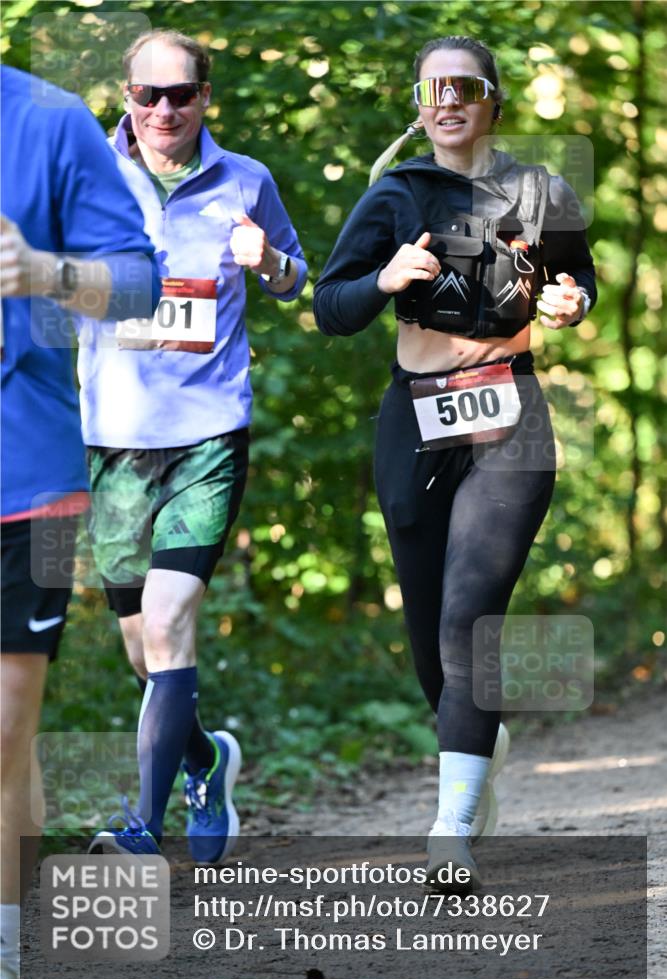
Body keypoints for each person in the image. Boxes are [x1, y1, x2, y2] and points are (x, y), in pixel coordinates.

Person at [313, 36, 596, 890]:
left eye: (463, 86)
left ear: (491, 99)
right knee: (431, 644)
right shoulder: (394, 194)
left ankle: (447, 829)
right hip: (415, 417)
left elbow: (577, 280)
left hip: (509, 411)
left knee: (471, 616)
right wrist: (385, 279)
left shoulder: (541, 189)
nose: (446, 100)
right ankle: (479, 742)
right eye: (432, 87)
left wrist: (570, 300)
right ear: (416, 101)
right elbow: (331, 308)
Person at [79, 30, 307, 861]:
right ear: (127, 98)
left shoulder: (245, 180)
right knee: (142, 648)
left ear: (206, 96)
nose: (165, 109)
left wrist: (270, 258)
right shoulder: (86, 178)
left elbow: (296, 279)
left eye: (182, 94)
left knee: (173, 619)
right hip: (113, 442)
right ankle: (207, 760)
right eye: (150, 95)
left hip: (208, 435)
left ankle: (144, 826)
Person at [0, 66, 160, 979]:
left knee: (8, 730)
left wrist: (46, 273)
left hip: (41, 481)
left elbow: (139, 282)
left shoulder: (52, 123)